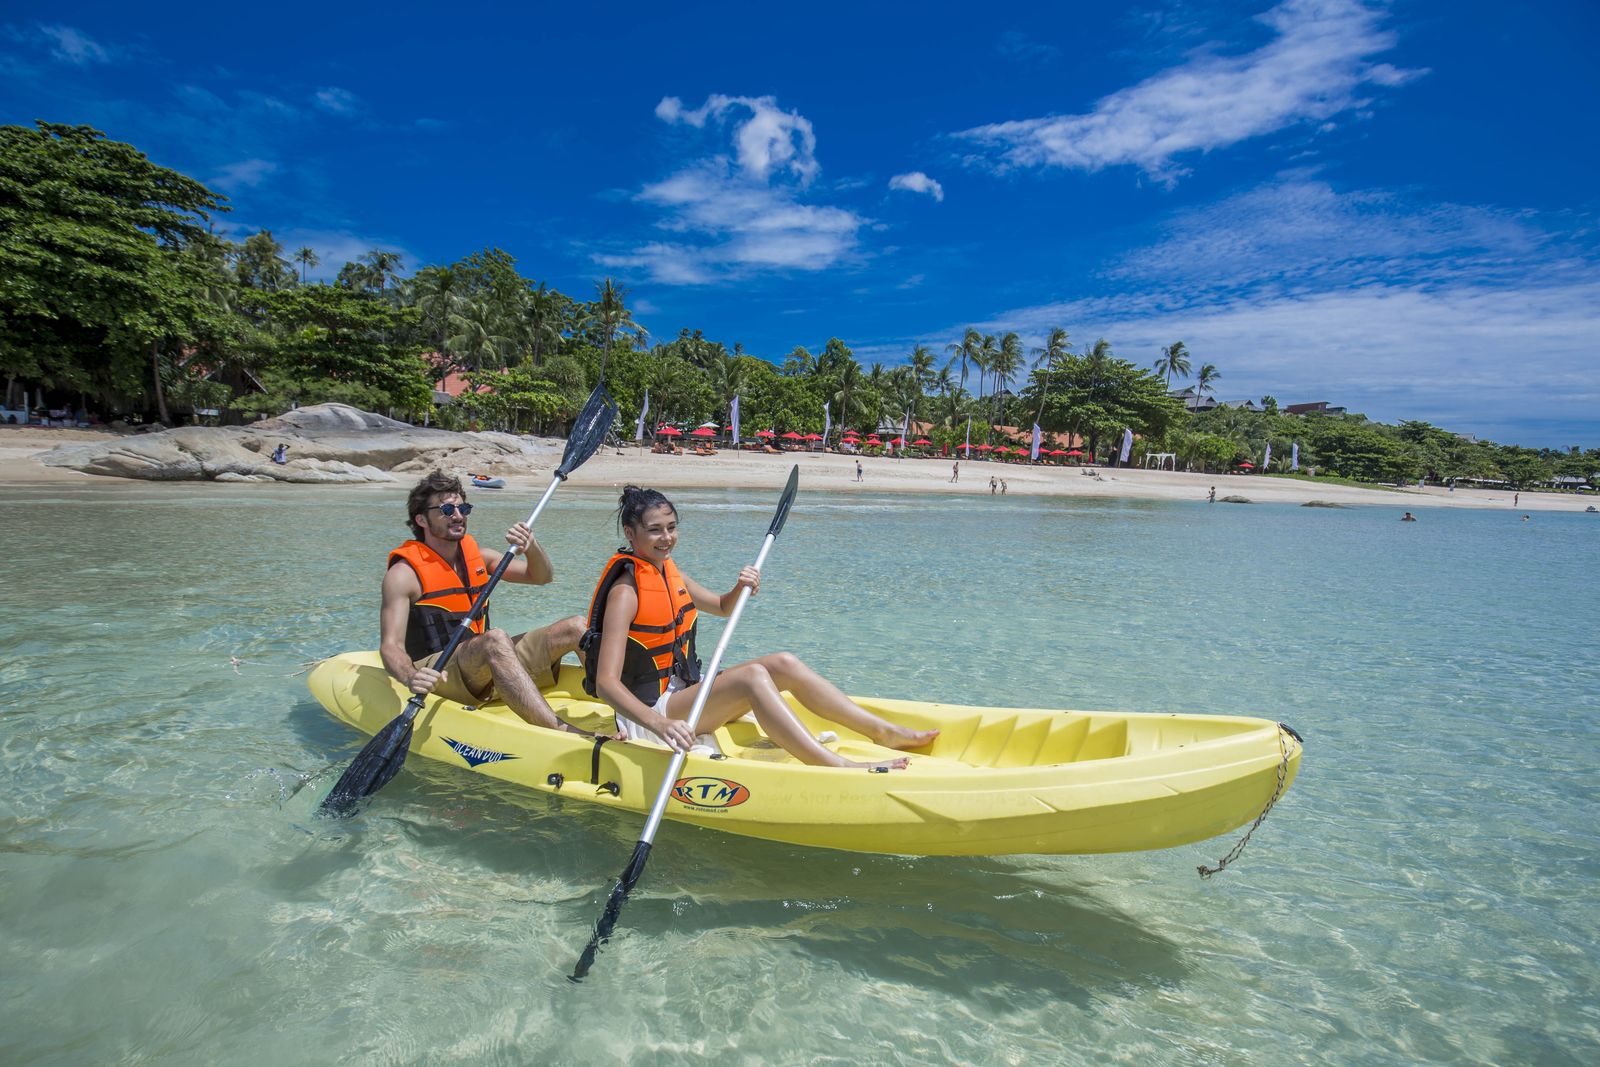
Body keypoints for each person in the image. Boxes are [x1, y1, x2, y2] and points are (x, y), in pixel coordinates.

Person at [580, 486, 938, 770]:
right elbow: (606, 684)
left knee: (782, 662)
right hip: (651, 716)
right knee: (752, 677)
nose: (667, 538)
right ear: (631, 533)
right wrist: (661, 726)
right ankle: (836, 765)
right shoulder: (626, 591)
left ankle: (883, 731)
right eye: (655, 530)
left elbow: (723, 606)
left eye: (672, 528)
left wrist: (742, 586)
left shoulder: (668, 572)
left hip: (682, 697)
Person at [380, 471, 595, 735]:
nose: (458, 516)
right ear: (421, 519)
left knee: (577, 627)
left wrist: (531, 546)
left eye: (463, 508)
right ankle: (560, 730)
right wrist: (410, 676)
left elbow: (541, 576)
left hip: (482, 662)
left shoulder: (478, 558)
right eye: (447, 509)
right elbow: (390, 647)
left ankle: (626, 709)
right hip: (441, 673)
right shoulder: (403, 575)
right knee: (495, 639)